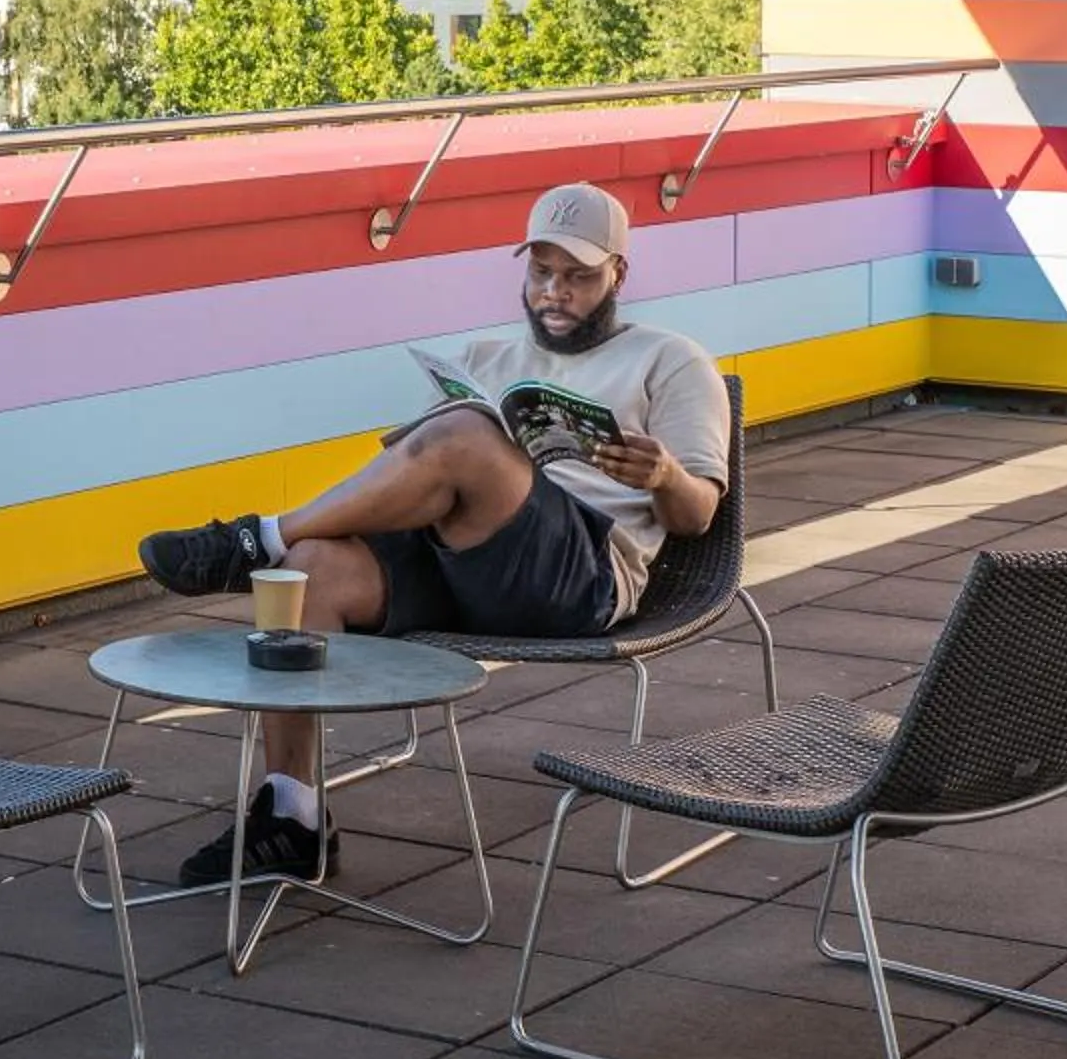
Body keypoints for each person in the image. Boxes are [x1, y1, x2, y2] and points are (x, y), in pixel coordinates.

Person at [135, 180, 730, 886]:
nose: (554, 292)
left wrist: (663, 475)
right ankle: (292, 812)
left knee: (465, 439)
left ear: (618, 275)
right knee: (311, 567)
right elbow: (408, 478)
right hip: (459, 560)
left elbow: (698, 516)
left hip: (578, 575)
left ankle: (248, 540)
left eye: (577, 277)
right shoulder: (487, 359)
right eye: (541, 273)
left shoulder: (671, 359)